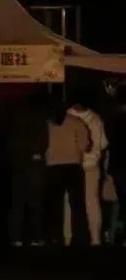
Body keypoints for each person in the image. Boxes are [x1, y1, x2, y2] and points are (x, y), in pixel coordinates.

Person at [7, 93, 49, 247]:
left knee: (17, 204)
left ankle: (16, 237)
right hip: (34, 166)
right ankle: (36, 237)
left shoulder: (15, 120)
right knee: (35, 204)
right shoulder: (39, 120)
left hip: (18, 165)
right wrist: (36, 153)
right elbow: (44, 142)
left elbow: (11, 143)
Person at [46, 103, 91, 247]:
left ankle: (55, 237)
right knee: (77, 204)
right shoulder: (76, 122)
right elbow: (84, 144)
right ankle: (80, 237)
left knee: (55, 204)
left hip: (53, 166)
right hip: (73, 165)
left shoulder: (48, 123)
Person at [66, 97, 107, 247]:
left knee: (70, 203)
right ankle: (95, 239)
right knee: (92, 203)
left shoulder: (67, 118)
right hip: (91, 165)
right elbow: (103, 144)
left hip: (72, 164)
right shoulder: (96, 119)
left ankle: (69, 236)